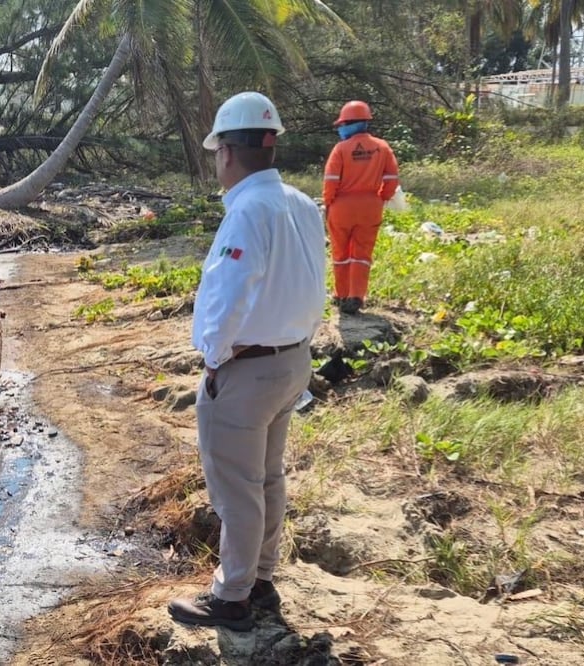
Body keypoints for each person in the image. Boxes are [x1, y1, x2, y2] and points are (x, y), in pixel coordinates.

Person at [167, 92, 326, 631]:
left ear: (227, 153)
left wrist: (214, 359)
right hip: (292, 360)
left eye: (216, 153)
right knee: (266, 478)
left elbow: (230, 292)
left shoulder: (248, 210)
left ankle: (231, 597)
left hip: (247, 369)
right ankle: (259, 577)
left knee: (236, 487)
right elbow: (313, 281)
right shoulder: (300, 204)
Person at [323, 100, 399, 315]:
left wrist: (328, 203)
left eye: (342, 125)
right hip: (371, 207)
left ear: (349, 123)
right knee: (362, 254)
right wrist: (381, 198)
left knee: (340, 253)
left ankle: (341, 294)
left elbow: (330, 181)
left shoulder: (340, 149)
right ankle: (357, 295)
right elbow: (392, 179)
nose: (341, 129)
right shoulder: (382, 147)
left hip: (341, 207)